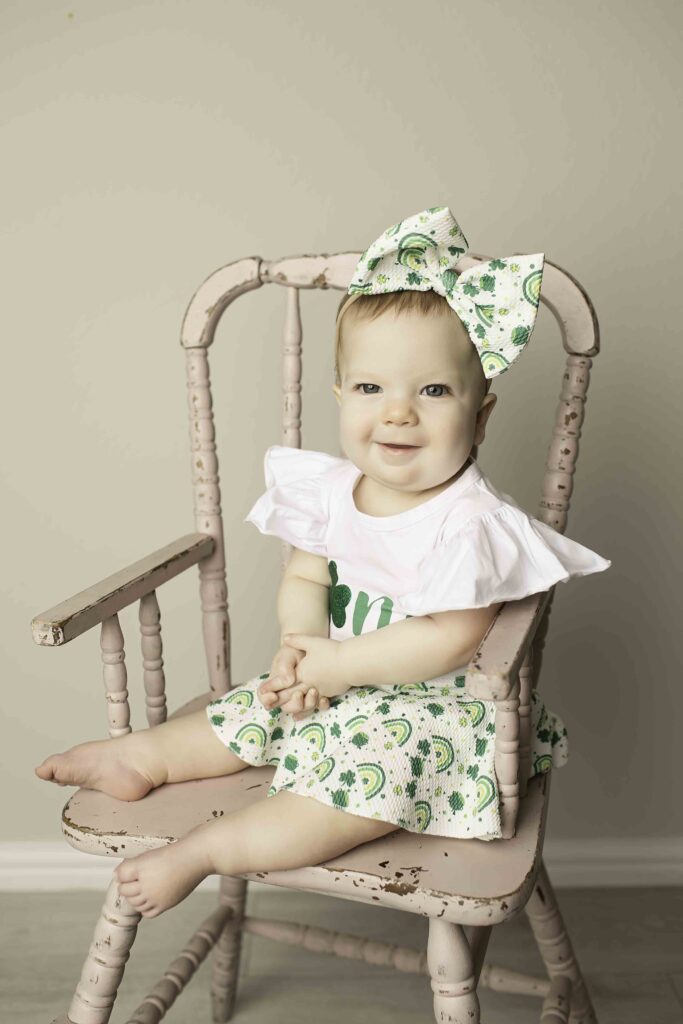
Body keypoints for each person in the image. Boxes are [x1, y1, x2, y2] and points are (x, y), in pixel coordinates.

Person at [34, 206, 611, 919]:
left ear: (480, 415)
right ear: (342, 397)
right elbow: (305, 578)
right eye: (371, 389)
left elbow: (451, 637)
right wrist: (300, 650)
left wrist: (334, 669)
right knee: (248, 710)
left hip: (435, 714)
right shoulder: (327, 492)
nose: (397, 413)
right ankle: (142, 757)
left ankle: (205, 852)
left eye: (432, 391)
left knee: (354, 786)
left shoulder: (472, 523)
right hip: (331, 679)